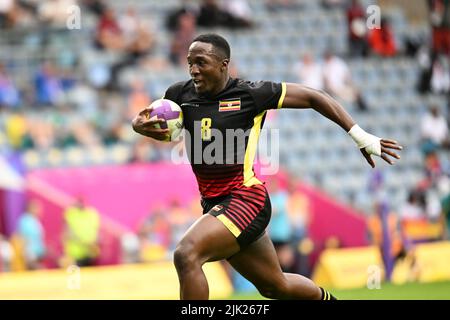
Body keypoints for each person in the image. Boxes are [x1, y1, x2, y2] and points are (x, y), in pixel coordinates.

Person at [132, 33, 402, 300]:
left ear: (223, 64)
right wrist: (139, 125)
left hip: (245, 199)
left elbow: (313, 96)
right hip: (214, 204)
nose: (193, 69)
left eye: (201, 62)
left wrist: (360, 136)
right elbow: (145, 119)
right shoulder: (179, 94)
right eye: (190, 62)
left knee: (186, 253)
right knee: (276, 287)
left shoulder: (250, 94)